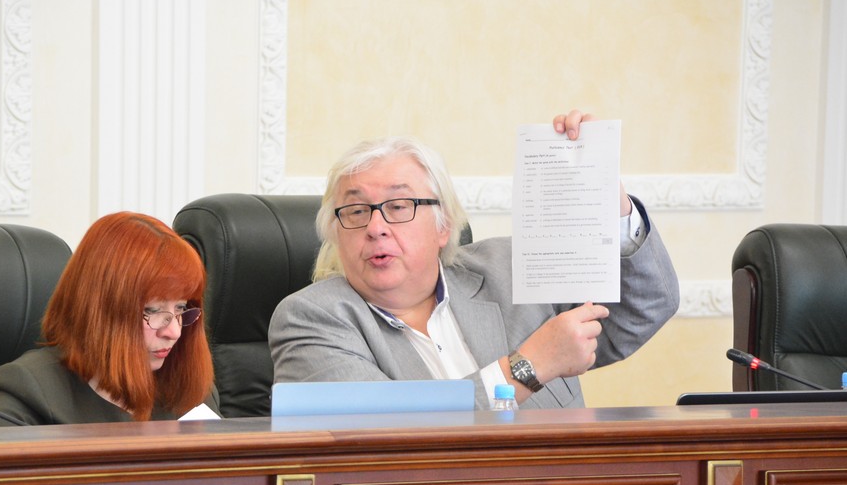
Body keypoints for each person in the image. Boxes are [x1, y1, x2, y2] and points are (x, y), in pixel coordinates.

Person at [269, 110, 680, 409]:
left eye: (398, 206)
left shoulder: (510, 270)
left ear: (444, 225)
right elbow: (383, 429)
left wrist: (609, 203)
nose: (376, 227)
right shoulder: (310, 319)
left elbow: (644, 310)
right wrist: (528, 366)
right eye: (357, 211)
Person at [0, 211, 216, 426]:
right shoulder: (29, 394)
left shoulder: (189, 387)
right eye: (152, 311)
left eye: (181, 308)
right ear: (101, 311)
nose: (174, 332)